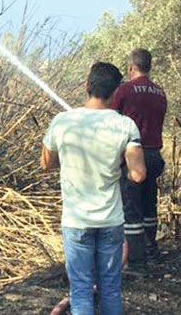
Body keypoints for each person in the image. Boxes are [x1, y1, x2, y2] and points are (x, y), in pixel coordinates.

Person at [41, 62, 147, 315]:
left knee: (80, 290)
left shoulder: (62, 121)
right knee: (110, 288)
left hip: (76, 222)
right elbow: (138, 174)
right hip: (110, 220)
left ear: (87, 86)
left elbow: (46, 163)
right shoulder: (125, 125)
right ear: (115, 92)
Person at [110, 48, 167, 272]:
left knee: (131, 208)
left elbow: (112, 120)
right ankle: (151, 249)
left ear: (131, 67)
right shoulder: (160, 92)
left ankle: (135, 260)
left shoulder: (124, 90)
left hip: (134, 155)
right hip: (154, 155)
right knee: (149, 204)